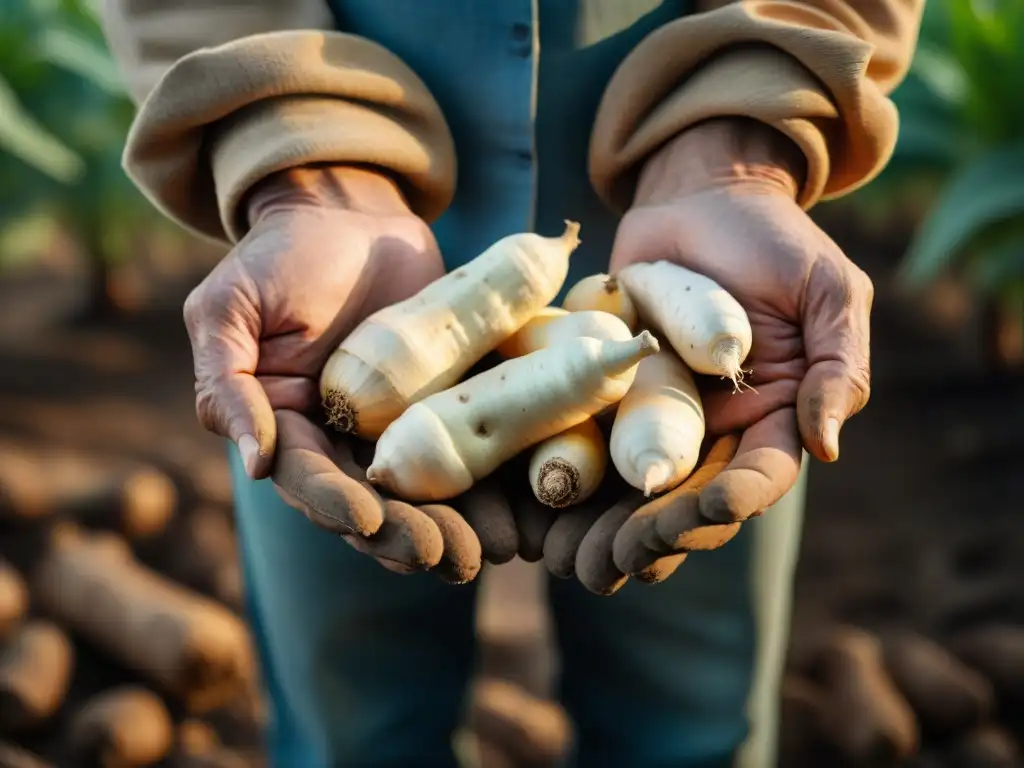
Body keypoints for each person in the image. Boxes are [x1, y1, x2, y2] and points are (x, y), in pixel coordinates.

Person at [100, 1, 924, 765]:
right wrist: (294, 161)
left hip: (700, 247)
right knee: (350, 730)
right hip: (331, 276)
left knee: (692, 725)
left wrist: (743, 150)